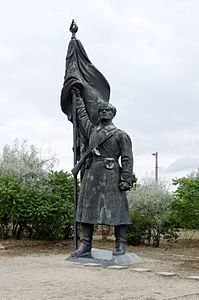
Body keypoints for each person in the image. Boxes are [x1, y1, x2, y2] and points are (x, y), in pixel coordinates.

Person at [71, 87, 133, 257]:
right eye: (102, 110)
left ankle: (120, 245)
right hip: (92, 174)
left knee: (117, 211)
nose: (104, 112)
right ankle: (85, 246)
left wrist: (126, 179)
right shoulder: (92, 131)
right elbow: (82, 117)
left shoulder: (121, 135)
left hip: (111, 174)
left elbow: (127, 158)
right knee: (87, 210)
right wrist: (77, 99)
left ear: (113, 114)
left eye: (107, 110)